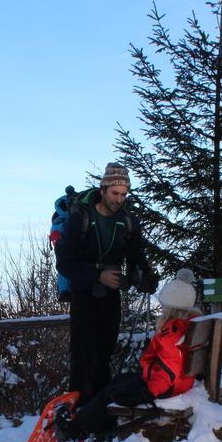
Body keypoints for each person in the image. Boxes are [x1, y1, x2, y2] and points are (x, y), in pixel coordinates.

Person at [55, 162, 156, 405]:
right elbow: (64, 264)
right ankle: (77, 413)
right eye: (115, 193)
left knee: (104, 354)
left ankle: (98, 413)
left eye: (123, 194)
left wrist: (144, 276)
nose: (119, 199)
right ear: (103, 189)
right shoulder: (81, 217)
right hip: (83, 291)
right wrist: (96, 275)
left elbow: (136, 258)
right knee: (83, 356)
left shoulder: (128, 221)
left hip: (110, 293)